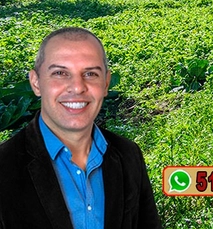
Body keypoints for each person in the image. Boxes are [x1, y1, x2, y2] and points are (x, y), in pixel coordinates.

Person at [0, 27, 162, 229]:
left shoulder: (128, 155)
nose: (77, 87)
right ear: (36, 82)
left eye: (90, 73)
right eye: (60, 73)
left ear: (105, 83)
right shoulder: (4, 166)